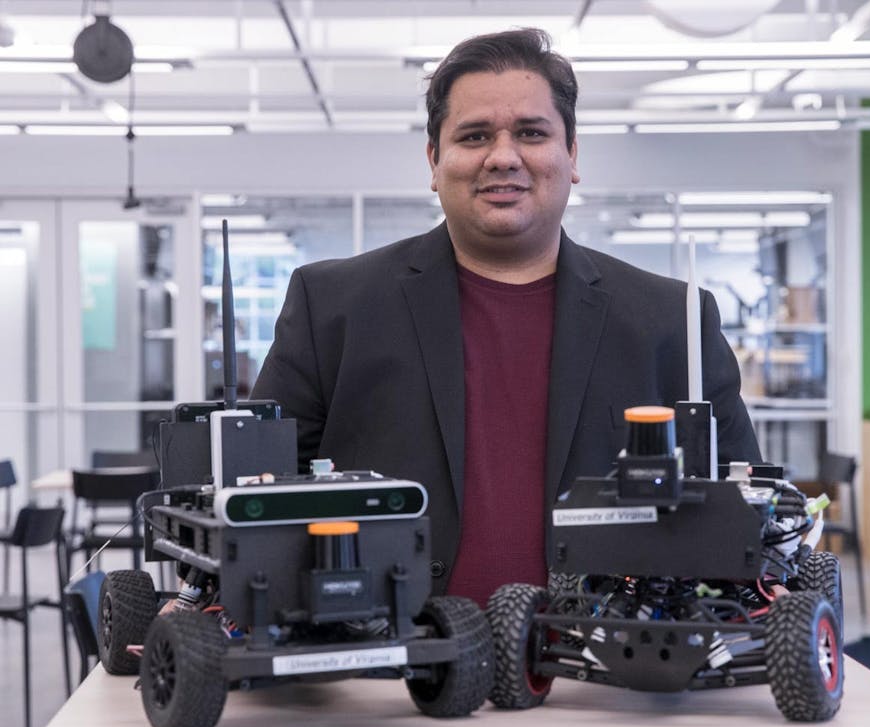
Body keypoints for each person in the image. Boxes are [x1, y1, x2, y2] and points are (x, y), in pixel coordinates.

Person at [251, 28, 761, 607]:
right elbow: (258, 492)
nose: (503, 156)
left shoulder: (673, 321)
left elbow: (746, 499)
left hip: (612, 670)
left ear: (571, 156)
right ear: (435, 160)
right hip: (388, 670)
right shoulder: (333, 306)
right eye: (474, 135)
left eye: (531, 132)